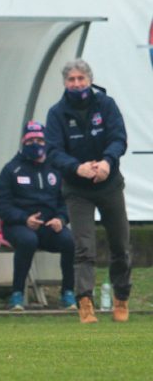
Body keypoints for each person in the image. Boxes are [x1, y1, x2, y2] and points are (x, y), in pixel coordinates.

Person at [45, 58, 131, 323]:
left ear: (90, 80)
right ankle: (85, 302)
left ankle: (121, 298)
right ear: (64, 83)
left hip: (109, 182)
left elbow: (119, 139)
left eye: (81, 79)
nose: (77, 84)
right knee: (83, 247)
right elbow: (53, 151)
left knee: (120, 245)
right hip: (77, 188)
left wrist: (107, 162)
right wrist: (76, 168)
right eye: (71, 80)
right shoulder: (57, 112)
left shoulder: (106, 105)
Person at [0, 121, 76, 311]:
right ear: (24, 142)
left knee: (69, 241)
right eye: (31, 140)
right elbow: (0, 205)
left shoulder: (55, 168)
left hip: (48, 226)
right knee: (28, 240)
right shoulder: (11, 169)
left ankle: (68, 293)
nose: (36, 144)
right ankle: (17, 295)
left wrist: (61, 219)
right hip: (17, 225)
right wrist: (24, 219)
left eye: (40, 140)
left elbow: (65, 201)